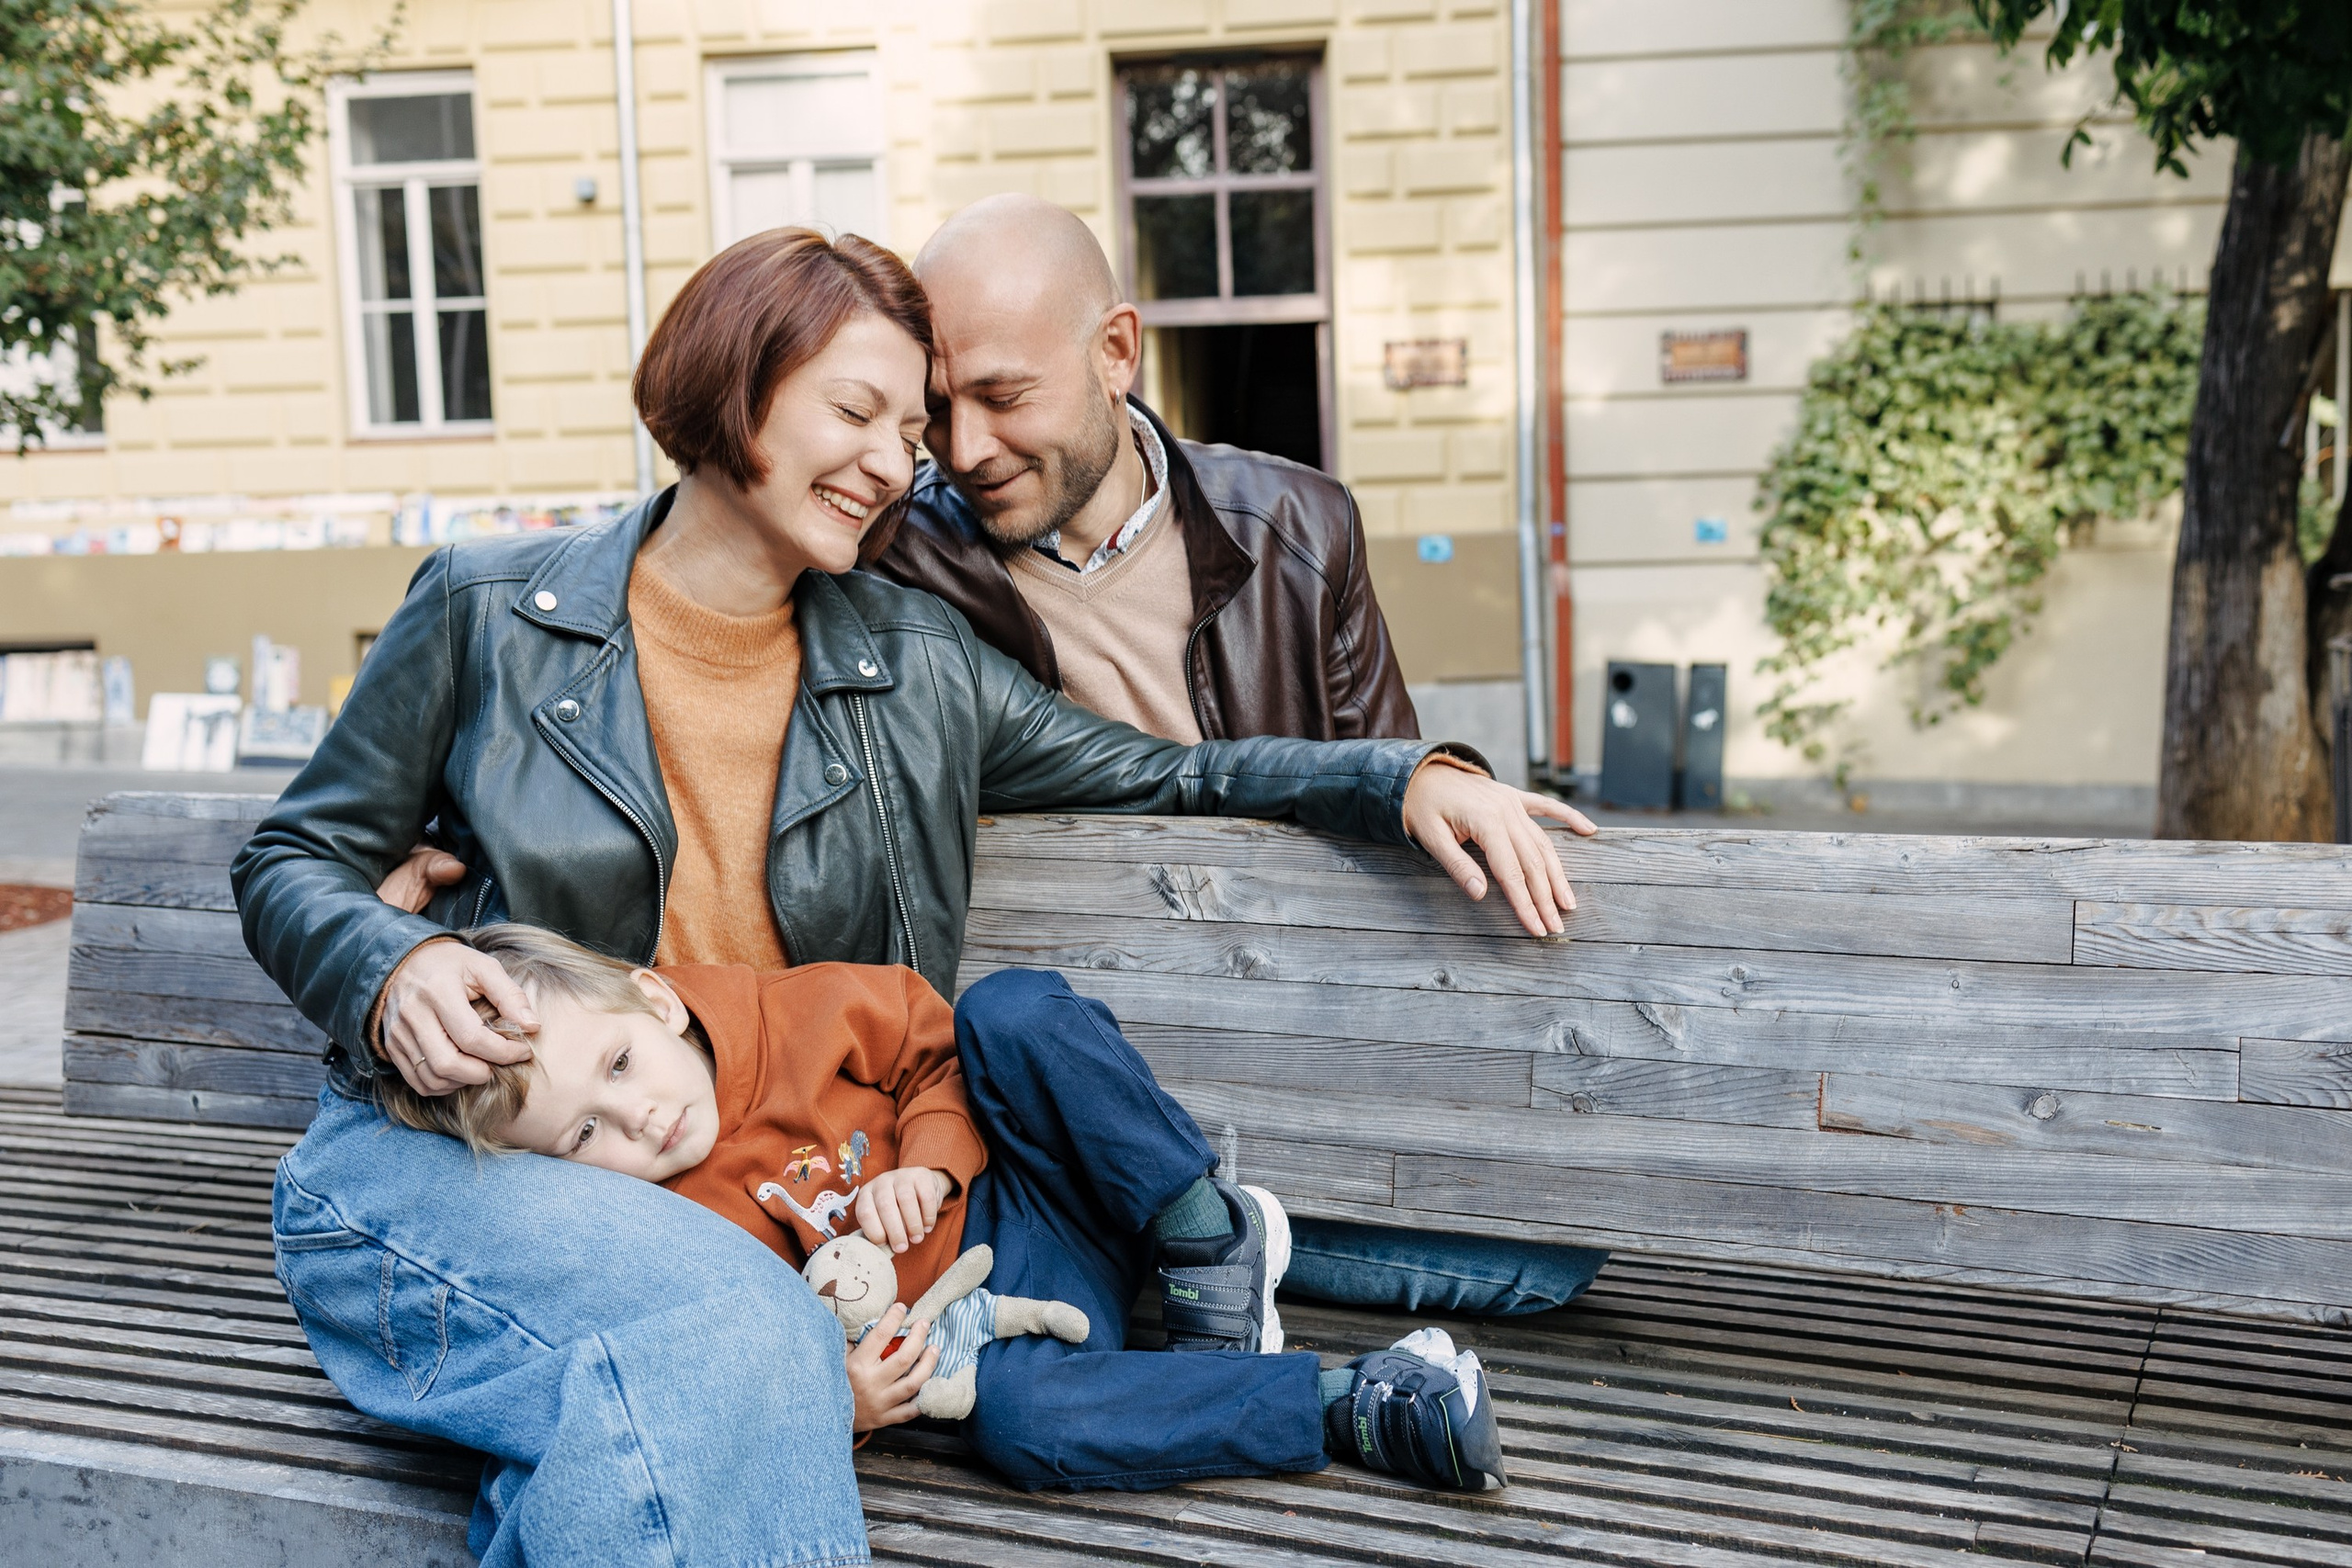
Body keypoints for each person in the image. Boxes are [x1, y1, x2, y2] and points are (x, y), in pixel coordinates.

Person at [234, 227, 1591, 1566]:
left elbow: (1169, 774)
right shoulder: (486, 611)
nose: (897, 463)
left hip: (769, 1210)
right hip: (487, 1154)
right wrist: (390, 964)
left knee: (693, 1367)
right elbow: (292, 856)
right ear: (735, 387)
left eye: (910, 430)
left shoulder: (917, 661)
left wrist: (1401, 776)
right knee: (734, 1339)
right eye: (857, 414)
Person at [875, 194, 1606, 1321]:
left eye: (1004, 397)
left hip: (1274, 1052)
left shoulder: (1300, 527)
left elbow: (1377, 809)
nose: (964, 448)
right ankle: (1181, 1226)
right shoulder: (895, 569)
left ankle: (1199, 1229)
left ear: (1115, 351)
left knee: (1548, 1266)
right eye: (938, 409)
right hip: (1044, 1080)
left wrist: (1431, 776)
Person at [375, 922, 1508, 1492]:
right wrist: (843, 1402)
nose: (639, 1120)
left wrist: (929, 1160)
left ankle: (1204, 1238)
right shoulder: (658, 1232)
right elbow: (741, 1374)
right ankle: (1352, 1403)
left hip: (1045, 1186)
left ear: (655, 1001)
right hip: (998, 1327)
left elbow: (935, 1055)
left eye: (620, 1066)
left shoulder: (795, 1014)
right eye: (584, 1135)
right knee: (1020, 1429)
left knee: (1008, 1010)